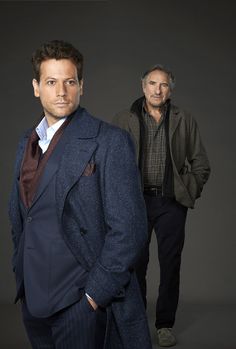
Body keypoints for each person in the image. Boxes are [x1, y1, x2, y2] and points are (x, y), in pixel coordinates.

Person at [8, 40, 152, 349]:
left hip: (80, 305)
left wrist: (92, 297)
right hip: (33, 300)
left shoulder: (110, 141)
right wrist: (20, 270)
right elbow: (21, 215)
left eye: (69, 81)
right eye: (51, 82)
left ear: (81, 86)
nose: (61, 91)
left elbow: (131, 229)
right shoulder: (26, 142)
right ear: (36, 87)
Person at [113, 64, 211, 347]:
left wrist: (187, 190)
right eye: (152, 83)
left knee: (170, 266)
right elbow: (109, 163)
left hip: (170, 203)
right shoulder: (123, 119)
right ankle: (135, 320)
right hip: (135, 203)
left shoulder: (184, 119)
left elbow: (201, 163)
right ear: (143, 87)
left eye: (164, 84)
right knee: (135, 264)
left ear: (170, 90)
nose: (158, 89)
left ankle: (165, 324)